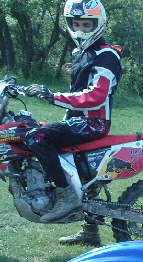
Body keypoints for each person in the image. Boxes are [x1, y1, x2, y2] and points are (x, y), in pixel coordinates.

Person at [24, 0, 122, 245]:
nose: (80, 30)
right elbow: (79, 92)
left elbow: (96, 96)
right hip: (78, 120)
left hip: (93, 123)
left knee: (36, 137)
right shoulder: (82, 53)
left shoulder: (106, 55)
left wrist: (53, 96)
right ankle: (90, 232)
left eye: (87, 25)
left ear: (99, 24)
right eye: (76, 24)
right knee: (81, 173)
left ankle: (65, 195)